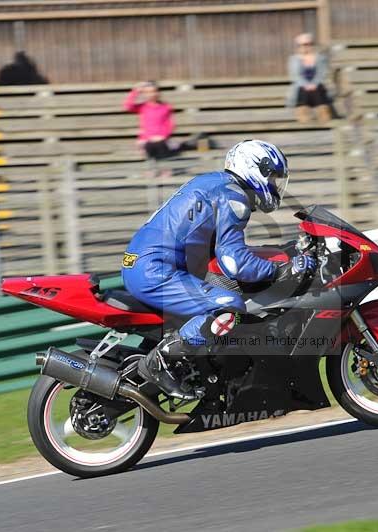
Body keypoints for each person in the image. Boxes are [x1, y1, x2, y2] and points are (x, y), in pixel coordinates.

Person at [122, 140, 317, 399]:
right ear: (253, 169)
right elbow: (234, 262)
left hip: (149, 264)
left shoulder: (215, 184)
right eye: (272, 178)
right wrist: (281, 270)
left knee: (225, 293)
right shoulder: (233, 196)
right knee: (228, 306)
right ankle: (161, 360)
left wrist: (281, 251)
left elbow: (221, 248)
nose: (274, 186)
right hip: (156, 269)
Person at [123, 81, 177, 160]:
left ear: (158, 93)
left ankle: (164, 169)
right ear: (144, 94)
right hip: (146, 139)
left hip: (162, 139)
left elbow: (170, 124)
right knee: (147, 148)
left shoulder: (166, 107)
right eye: (147, 92)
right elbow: (128, 106)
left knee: (163, 150)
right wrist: (136, 91)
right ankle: (151, 169)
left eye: (154, 91)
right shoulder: (142, 107)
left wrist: (163, 136)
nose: (151, 94)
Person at [287, 33, 333, 123]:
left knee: (317, 88)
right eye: (303, 45)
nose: (306, 47)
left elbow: (322, 74)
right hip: (301, 88)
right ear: (298, 46)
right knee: (303, 90)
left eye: (309, 44)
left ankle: (323, 115)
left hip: (318, 87)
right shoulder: (294, 59)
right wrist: (307, 85)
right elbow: (295, 76)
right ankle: (304, 116)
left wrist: (314, 84)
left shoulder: (320, 58)